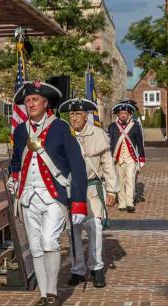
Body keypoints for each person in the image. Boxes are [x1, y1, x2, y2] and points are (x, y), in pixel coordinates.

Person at [6, 81, 87, 306]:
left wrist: (79, 202)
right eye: (27, 100)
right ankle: (43, 295)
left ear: (46, 103)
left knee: (49, 242)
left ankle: (53, 294)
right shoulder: (21, 130)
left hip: (53, 196)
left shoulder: (61, 128)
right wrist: (14, 177)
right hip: (28, 197)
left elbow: (77, 166)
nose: (30, 104)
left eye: (35, 100)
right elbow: (16, 160)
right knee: (35, 246)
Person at [59, 98, 118, 288]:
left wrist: (112, 190)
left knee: (95, 227)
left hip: (92, 188)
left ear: (85, 115)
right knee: (73, 230)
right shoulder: (64, 134)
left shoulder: (98, 134)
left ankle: (96, 268)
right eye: (71, 115)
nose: (74, 118)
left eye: (77, 114)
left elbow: (108, 164)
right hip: (71, 188)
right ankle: (78, 269)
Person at [108, 101, 145, 213]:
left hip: (131, 158)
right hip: (117, 158)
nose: (123, 115)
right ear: (118, 114)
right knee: (120, 181)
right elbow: (109, 143)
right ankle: (122, 202)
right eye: (121, 113)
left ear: (129, 114)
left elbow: (139, 142)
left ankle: (129, 203)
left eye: (125, 113)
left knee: (130, 179)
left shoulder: (135, 126)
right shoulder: (112, 127)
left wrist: (142, 157)